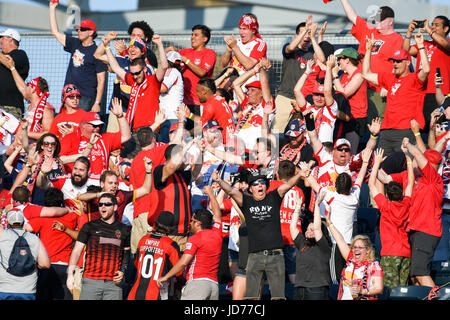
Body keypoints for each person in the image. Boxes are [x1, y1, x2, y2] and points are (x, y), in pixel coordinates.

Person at [214, 165, 310, 300]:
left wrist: (299, 175)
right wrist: (219, 181)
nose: (260, 186)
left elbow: (288, 184)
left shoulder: (274, 197)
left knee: (278, 296)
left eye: (263, 183)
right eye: (256, 183)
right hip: (255, 256)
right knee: (252, 297)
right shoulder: (246, 201)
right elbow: (231, 191)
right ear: (250, 188)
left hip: (275, 255)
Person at [362, 31, 430, 157]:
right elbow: (366, 74)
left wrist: (420, 45)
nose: (395, 64)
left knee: (404, 167)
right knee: (382, 168)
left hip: (406, 130)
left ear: (408, 63)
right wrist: (368, 51)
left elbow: (426, 69)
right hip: (386, 131)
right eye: (393, 61)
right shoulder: (390, 78)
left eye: (398, 61)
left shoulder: (415, 79)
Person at [337, 0, 404, 121]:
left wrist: (389, 85)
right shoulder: (370, 31)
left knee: (378, 123)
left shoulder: (397, 39)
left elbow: (399, 65)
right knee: (357, 122)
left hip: (379, 90)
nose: (377, 21)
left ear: (390, 21)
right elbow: (352, 17)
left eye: (380, 19)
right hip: (359, 88)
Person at [157, 185, 223, 300]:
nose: (190, 223)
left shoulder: (196, 238)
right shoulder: (217, 234)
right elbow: (217, 214)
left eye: (192, 221)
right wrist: (211, 194)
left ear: (198, 223)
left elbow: (183, 262)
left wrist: (166, 276)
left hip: (197, 285)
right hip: (214, 286)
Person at [66, 193, 131, 300]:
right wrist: (70, 275)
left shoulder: (124, 229)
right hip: (91, 281)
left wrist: (123, 270)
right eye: (100, 204)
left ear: (115, 207)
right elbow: (77, 250)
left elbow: (126, 253)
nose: (103, 207)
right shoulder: (89, 226)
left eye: (107, 204)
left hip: (113, 284)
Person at [272, 16, 326, 139]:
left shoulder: (312, 53)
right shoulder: (290, 48)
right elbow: (290, 48)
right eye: (302, 33)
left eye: (308, 32)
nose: (306, 36)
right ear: (297, 35)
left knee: (301, 135)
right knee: (276, 131)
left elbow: (322, 59)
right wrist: (305, 30)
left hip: (303, 100)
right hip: (285, 96)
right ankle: (274, 156)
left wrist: (315, 36)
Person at [49, 1, 107, 112]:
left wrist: (97, 103)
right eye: (78, 29)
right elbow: (55, 32)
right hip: (69, 95)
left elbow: (101, 79)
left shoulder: (97, 52)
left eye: (83, 29)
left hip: (85, 98)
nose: (79, 31)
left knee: (80, 127)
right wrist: (52, 9)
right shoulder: (74, 43)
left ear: (91, 32)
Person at [368, 148, 413, 289]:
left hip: (390, 254)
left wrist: (376, 163)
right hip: (406, 254)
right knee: (403, 291)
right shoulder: (406, 203)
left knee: (390, 292)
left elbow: (371, 184)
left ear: (387, 195)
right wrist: (409, 159)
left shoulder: (385, 206)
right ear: (402, 194)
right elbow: (411, 182)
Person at [23, 188, 78, 300]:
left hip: (46, 265)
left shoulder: (41, 219)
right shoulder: (72, 217)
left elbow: (25, 228)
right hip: (65, 265)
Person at [402, 138, 443, 287]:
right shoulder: (422, 179)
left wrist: (408, 144)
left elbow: (418, 156)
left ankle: (436, 296)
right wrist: (407, 154)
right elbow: (413, 164)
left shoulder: (434, 179)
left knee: (420, 273)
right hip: (416, 230)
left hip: (426, 231)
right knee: (414, 276)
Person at [59, 100, 131, 177]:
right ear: (83, 125)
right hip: (77, 181)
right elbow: (60, 160)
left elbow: (126, 136)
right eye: (94, 125)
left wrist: (120, 117)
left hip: (99, 182)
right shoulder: (70, 137)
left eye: (99, 126)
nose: (97, 129)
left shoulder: (103, 138)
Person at [153, 140, 202, 251]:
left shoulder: (181, 175)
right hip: (167, 233)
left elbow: (195, 173)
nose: (185, 160)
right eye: (182, 157)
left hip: (183, 234)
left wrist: (200, 152)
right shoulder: (160, 171)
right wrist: (185, 147)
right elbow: (170, 167)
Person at [402, 16, 450, 131]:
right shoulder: (425, 43)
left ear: (446, 28)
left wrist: (428, 30)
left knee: (437, 128)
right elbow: (405, 52)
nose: (433, 27)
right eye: (432, 24)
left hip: (439, 92)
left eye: (436, 25)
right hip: (420, 92)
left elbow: (445, 44)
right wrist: (409, 32)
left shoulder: (447, 43)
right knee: (420, 128)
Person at [326, 207, 384, 300]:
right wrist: (329, 222)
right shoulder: (350, 260)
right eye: (354, 247)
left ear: (368, 250)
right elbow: (340, 240)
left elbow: (379, 288)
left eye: (360, 247)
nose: (356, 250)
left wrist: (362, 291)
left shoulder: (374, 266)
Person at [127, 211, 181, 300]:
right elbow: (179, 272)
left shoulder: (143, 239)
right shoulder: (171, 245)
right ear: (172, 227)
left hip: (136, 292)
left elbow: (136, 264)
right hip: (158, 294)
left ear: (156, 223)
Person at [267, 160, 305, 285]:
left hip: (276, 236)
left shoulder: (272, 185)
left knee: (272, 276)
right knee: (294, 276)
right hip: (294, 236)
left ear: (277, 174)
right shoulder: (299, 191)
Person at [0, 56, 54, 143]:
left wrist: (25, 133)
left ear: (33, 90)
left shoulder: (45, 109)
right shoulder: (31, 104)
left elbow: (49, 134)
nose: (26, 86)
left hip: (34, 148)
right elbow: (22, 87)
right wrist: (12, 68)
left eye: (28, 85)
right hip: (23, 145)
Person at [0, 208, 50, 300]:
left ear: (8, 222)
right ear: (23, 222)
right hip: (28, 290)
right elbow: (45, 264)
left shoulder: (2, 235)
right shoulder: (34, 238)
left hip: (4, 289)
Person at [166, 24, 216, 116]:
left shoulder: (209, 53)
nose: (192, 37)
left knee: (197, 129)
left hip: (199, 103)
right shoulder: (184, 52)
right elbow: (170, 65)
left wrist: (186, 60)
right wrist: (169, 52)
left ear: (205, 39)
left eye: (196, 35)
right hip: (182, 101)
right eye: (192, 35)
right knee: (181, 129)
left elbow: (202, 72)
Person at [290, 189, 332, 300]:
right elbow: (292, 228)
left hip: (317, 289)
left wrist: (317, 205)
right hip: (300, 288)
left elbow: (318, 228)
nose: (308, 231)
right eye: (308, 229)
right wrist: (297, 208)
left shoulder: (323, 246)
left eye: (311, 230)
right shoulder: (302, 244)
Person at [232, 58, 274, 152]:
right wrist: (256, 69)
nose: (248, 93)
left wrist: (262, 67)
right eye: (248, 90)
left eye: (252, 90)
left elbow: (263, 82)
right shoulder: (247, 105)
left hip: (252, 152)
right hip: (235, 149)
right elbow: (236, 84)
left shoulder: (266, 105)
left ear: (261, 93)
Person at [294, 56, 338, 144]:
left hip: (324, 150)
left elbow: (327, 91)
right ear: (312, 95)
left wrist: (329, 68)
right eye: (316, 95)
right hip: (307, 149)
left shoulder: (330, 110)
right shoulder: (308, 108)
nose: (319, 98)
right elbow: (296, 90)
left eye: (322, 96)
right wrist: (307, 72)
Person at [333, 47, 368, 150]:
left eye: (340, 59)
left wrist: (335, 75)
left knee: (350, 152)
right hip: (343, 117)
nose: (338, 62)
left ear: (347, 60)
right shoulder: (343, 76)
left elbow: (343, 94)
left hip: (355, 119)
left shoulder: (359, 75)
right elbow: (335, 91)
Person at [220, 13, 267, 86]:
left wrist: (234, 47)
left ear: (253, 30)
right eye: (240, 28)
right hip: (233, 86)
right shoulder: (236, 42)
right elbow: (222, 65)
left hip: (249, 88)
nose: (241, 32)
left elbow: (248, 65)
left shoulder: (259, 44)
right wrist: (228, 51)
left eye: (244, 29)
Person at [188, 78, 234, 144]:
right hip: (230, 139)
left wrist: (185, 134)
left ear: (204, 92)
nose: (197, 94)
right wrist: (189, 115)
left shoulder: (210, 105)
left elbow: (200, 128)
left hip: (223, 142)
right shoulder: (219, 99)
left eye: (198, 91)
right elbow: (204, 121)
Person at [0, 28, 29, 119]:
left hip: (10, 107)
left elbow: (8, 63)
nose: (0, 40)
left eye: (2, 38)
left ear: (10, 39)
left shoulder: (20, 55)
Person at [158, 51, 184, 143]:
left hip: (170, 117)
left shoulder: (172, 71)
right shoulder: (176, 72)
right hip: (171, 116)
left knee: (167, 148)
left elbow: (162, 88)